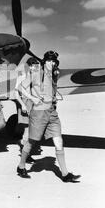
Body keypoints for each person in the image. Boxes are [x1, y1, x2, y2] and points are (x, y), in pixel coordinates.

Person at [16, 51, 81, 182]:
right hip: (38, 112)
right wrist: (32, 98)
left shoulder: (53, 76)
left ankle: (65, 174)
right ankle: (21, 166)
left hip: (52, 112)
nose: (52, 63)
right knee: (32, 141)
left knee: (59, 142)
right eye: (49, 61)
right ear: (44, 62)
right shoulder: (36, 73)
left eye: (54, 61)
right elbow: (20, 88)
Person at [14, 57, 40, 163]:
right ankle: (26, 155)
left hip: (34, 105)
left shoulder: (36, 79)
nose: (36, 68)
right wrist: (23, 105)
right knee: (27, 130)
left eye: (37, 66)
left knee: (33, 130)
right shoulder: (22, 77)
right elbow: (16, 93)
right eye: (34, 66)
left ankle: (21, 143)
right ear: (29, 66)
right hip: (25, 103)